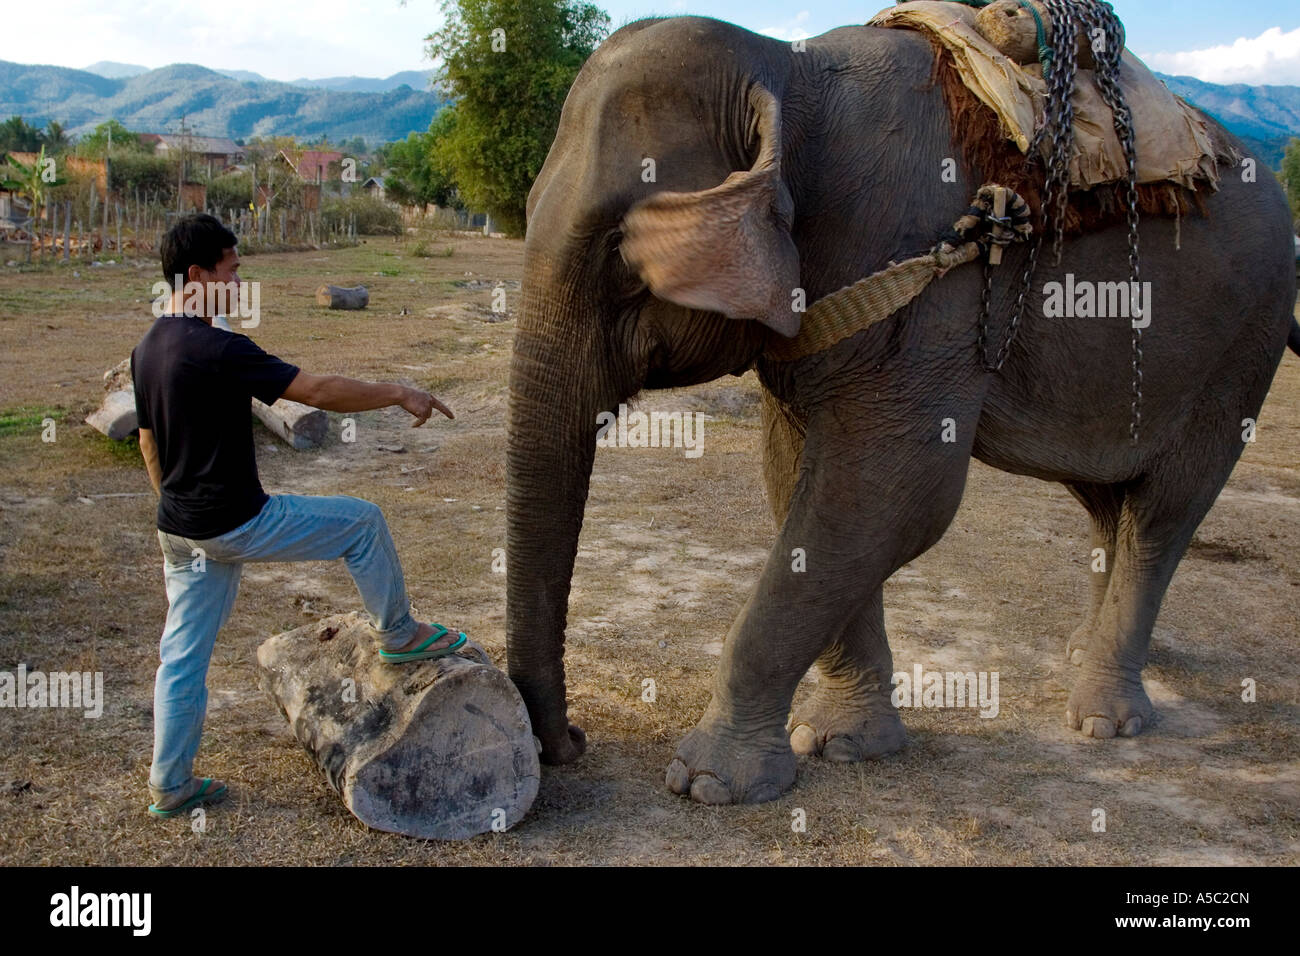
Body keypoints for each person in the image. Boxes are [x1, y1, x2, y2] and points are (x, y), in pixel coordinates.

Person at [133, 213, 462, 819]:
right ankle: (398, 637)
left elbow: (149, 442)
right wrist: (397, 391)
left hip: (179, 529)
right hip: (236, 523)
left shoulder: (148, 345)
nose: (237, 283)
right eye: (231, 271)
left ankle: (169, 784)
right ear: (198, 273)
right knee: (363, 522)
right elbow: (313, 390)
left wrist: (176, 507)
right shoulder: (217, 349)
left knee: (179, 660)